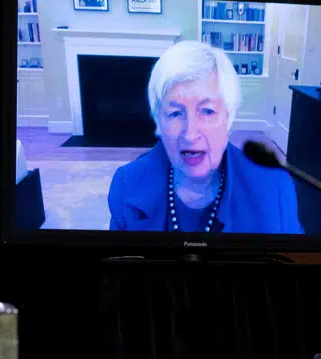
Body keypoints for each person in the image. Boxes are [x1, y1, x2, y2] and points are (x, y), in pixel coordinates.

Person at [107, 40, 301, 233]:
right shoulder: (127, 185)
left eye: (207, 111)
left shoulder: (274, 190)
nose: (190, 134)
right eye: (175, 113)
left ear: (228, 116)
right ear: (159, 121)